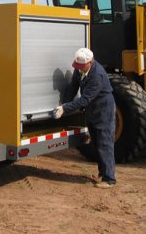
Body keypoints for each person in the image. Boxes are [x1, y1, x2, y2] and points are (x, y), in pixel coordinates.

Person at [53, 48, 116, 188]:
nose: (79, 69)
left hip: (103, 110)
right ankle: (102, 173)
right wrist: (65, 102)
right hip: (93, 111)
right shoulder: (80, 68)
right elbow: (73, 86)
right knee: (97, 142)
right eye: (77, 66)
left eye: (81, 67)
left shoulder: (97, 76)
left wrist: (65, 109)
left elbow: (84, 100)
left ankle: (109, 179)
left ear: (90, 62)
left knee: (104, 143)